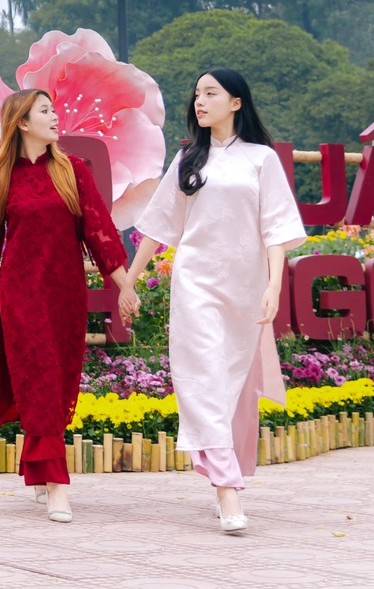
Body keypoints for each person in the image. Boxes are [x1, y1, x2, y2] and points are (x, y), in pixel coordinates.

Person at [117, 68, 305, 534]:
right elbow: (158, 226)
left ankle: (224, 466)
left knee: (231, 383)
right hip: (195, 284)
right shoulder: (188, 160)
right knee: (202, 376)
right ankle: (227, 490)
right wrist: (129, 282)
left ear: (236, 102)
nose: (200, 102)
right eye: (197, 94)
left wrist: (273, 286)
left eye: (211, 93)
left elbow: (277, 228)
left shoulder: (262, 159)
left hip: (244, 289)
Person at [0, 88, 130, 524]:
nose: (55, 117)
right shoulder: (1, 179)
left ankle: (37, 466)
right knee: (40, 378)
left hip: (66, 296)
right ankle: (56, 486)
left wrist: (125, 287)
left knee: (56, 384)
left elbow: (101, 233)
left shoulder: (73, 171)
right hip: (21, 296)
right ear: (22, 123)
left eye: (54, 110)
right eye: (45, 111)